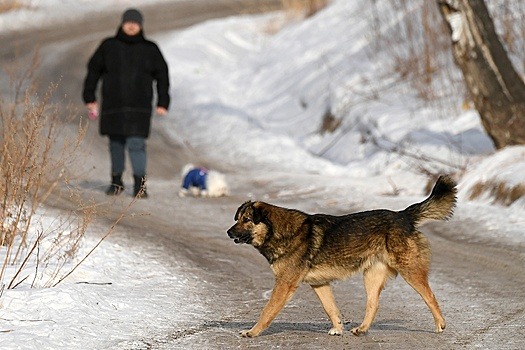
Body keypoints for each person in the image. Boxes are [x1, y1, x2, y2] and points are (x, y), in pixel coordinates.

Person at [82, 8, 170, 198]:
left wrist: (163, 100)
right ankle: (116, 182)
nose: (131, 26)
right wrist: (89, 96)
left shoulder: (150, 49)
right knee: (116, 144)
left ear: (140, 25)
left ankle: (140, 185)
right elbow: (93, 71)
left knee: (136, 144)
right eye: (128, 22)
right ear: (122, 23)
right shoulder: (108, 46)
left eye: (135, 23)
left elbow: (162, 75)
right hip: (114, 105)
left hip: (140, 107)